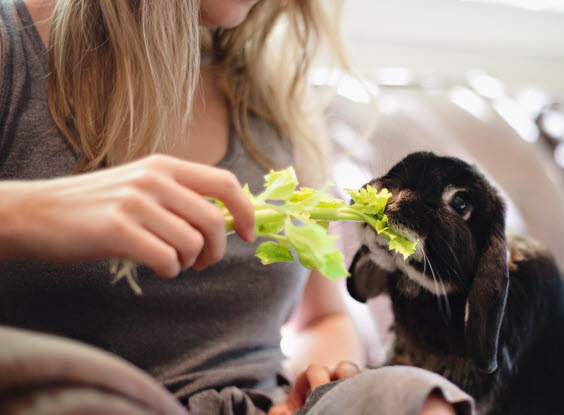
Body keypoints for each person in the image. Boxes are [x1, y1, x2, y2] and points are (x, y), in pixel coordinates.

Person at [0, 1, 473, 414]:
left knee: (418, 400)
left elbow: (322, 318)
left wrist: (318, 385)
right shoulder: (11, 48)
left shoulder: (276, 94)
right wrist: (30, 212)